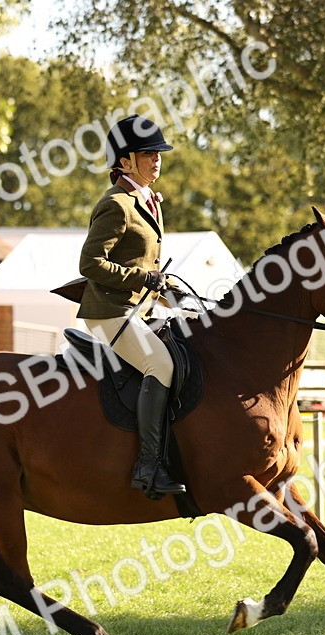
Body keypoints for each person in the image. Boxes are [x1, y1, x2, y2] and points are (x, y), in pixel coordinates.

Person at [77, 114, 186, 497]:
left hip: (142, 309)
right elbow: (90, 264)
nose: (157, 160)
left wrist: (170, 291)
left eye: (158, 154)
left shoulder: (148, 201)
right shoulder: (116, 204)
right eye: (148, 154)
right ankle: (148, 467)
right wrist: (143, 279)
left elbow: (146, 264)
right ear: (125, 161)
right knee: (161, 365)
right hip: (110, 312)